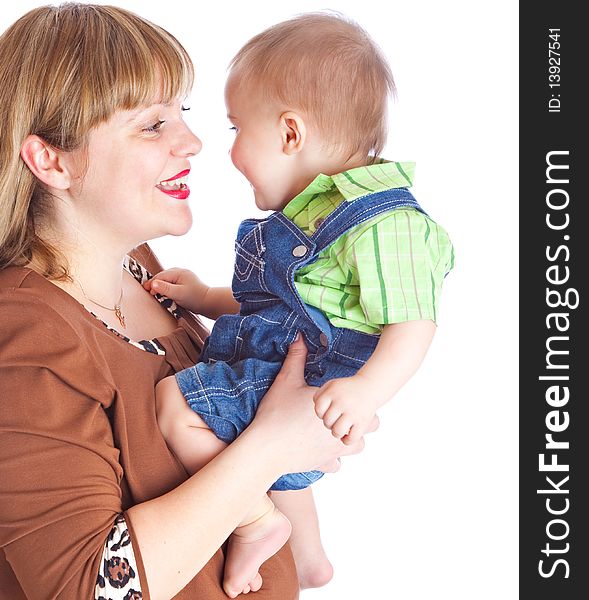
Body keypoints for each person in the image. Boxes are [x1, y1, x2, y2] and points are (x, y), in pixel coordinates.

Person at [0, 5, 373, 599]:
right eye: (153, 125)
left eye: (185, 114)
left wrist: (322, 413)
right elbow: (88, 588)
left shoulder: (138, 269)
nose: (194, 142)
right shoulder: (19, 337)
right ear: (50, 159)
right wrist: (273, 445)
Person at [148, 11, 455, 598]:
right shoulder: (315, 211)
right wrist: (206, 298)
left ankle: (255, 523)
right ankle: (309, 558)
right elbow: (276, 307)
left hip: (319, 381)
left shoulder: (385, 224)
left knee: (175, 405)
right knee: (269, 449)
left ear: (291, 133)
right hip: (290, 369)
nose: (224, 146)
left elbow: (414, 323)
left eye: (237, 128)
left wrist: (366, 392)